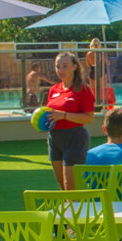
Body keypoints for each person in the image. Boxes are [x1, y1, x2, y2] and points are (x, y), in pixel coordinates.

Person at [45, 51, 95, 189]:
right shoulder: (53, 90)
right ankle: (68, 210)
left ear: (74, 67)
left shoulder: (82, 89)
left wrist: (64, 115)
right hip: (54, 138)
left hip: (74, 138)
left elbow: (89, 118)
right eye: (58, 66)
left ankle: (78, 210)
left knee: (71, 185)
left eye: (65, 66)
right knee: (61, 183)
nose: (61, 70)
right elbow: (50, 114)